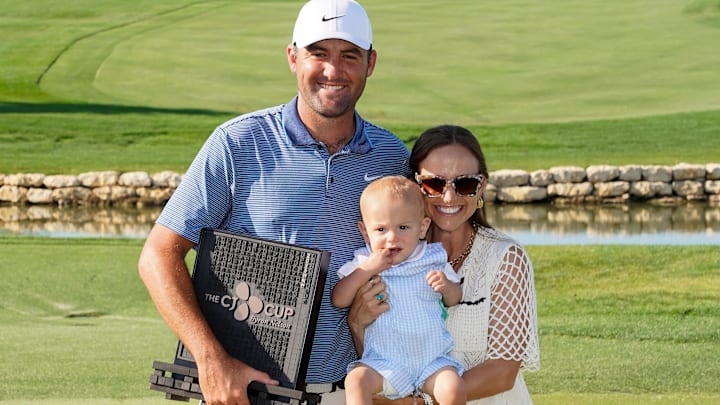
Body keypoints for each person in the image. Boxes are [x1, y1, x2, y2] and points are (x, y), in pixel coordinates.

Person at [137, 1, 410, 404]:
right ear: (292, 57)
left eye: (348, 56)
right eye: (318, 54)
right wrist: (210, 360)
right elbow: (158, 254)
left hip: (346, 391)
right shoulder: (237, 143)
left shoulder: (392, 156)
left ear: (370, 63)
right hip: (247, 392)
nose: (333, 71)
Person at [348, 125, 540, 404]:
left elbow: (502, 373)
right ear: (414, 186)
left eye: (464, 183)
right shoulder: (383, 259)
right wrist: (356, 324)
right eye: (434, 184)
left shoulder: (506, 257)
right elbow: (383, 351)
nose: (449, 197)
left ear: (481, 186)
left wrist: (419, 402)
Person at [332, 176, 466, 405]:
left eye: (403, 227)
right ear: (365, 233)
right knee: (355, 380)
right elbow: (339, 299)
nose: (392, 238)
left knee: (453, 388)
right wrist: (366, 270)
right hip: (385, 362)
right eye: (381, 229)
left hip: (431, 359)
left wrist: (447, 286)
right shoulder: (365, 261)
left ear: (422, 227)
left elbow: (455, 299)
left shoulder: (433, 258)